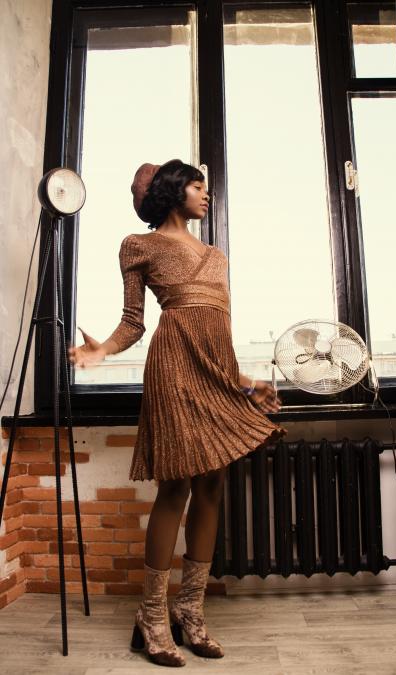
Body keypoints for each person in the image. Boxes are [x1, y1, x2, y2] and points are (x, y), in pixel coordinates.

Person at [68, 159, 287, 667]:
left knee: (213, 484)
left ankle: (191, 611)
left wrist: (244, 383)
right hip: (171, 368)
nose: (206, 194)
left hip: (214, 373)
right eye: (197, 185)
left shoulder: (216, 256)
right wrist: (101, 352)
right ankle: (152, 614)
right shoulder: (138, 245)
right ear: (173, 191)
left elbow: (218, 333)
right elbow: (133, 322)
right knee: (177, 485)